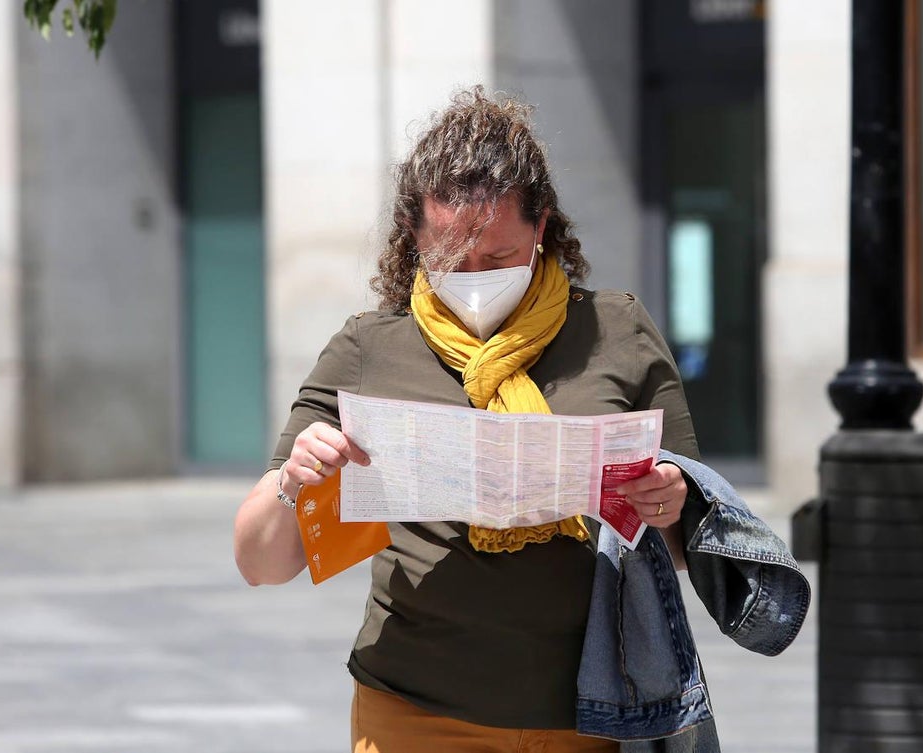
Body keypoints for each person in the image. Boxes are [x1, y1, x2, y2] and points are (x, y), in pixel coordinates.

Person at [235, 89, 706, 752]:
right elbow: (260, 562)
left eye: (498, 258)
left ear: (541, 228)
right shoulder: (369, 348)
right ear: (414, 236)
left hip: (590, 716)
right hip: (414, 712)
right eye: (451, 260)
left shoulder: (617, 331)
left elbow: (688, 542)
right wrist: (293, 482)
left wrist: (669, 499)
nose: (474, 278)